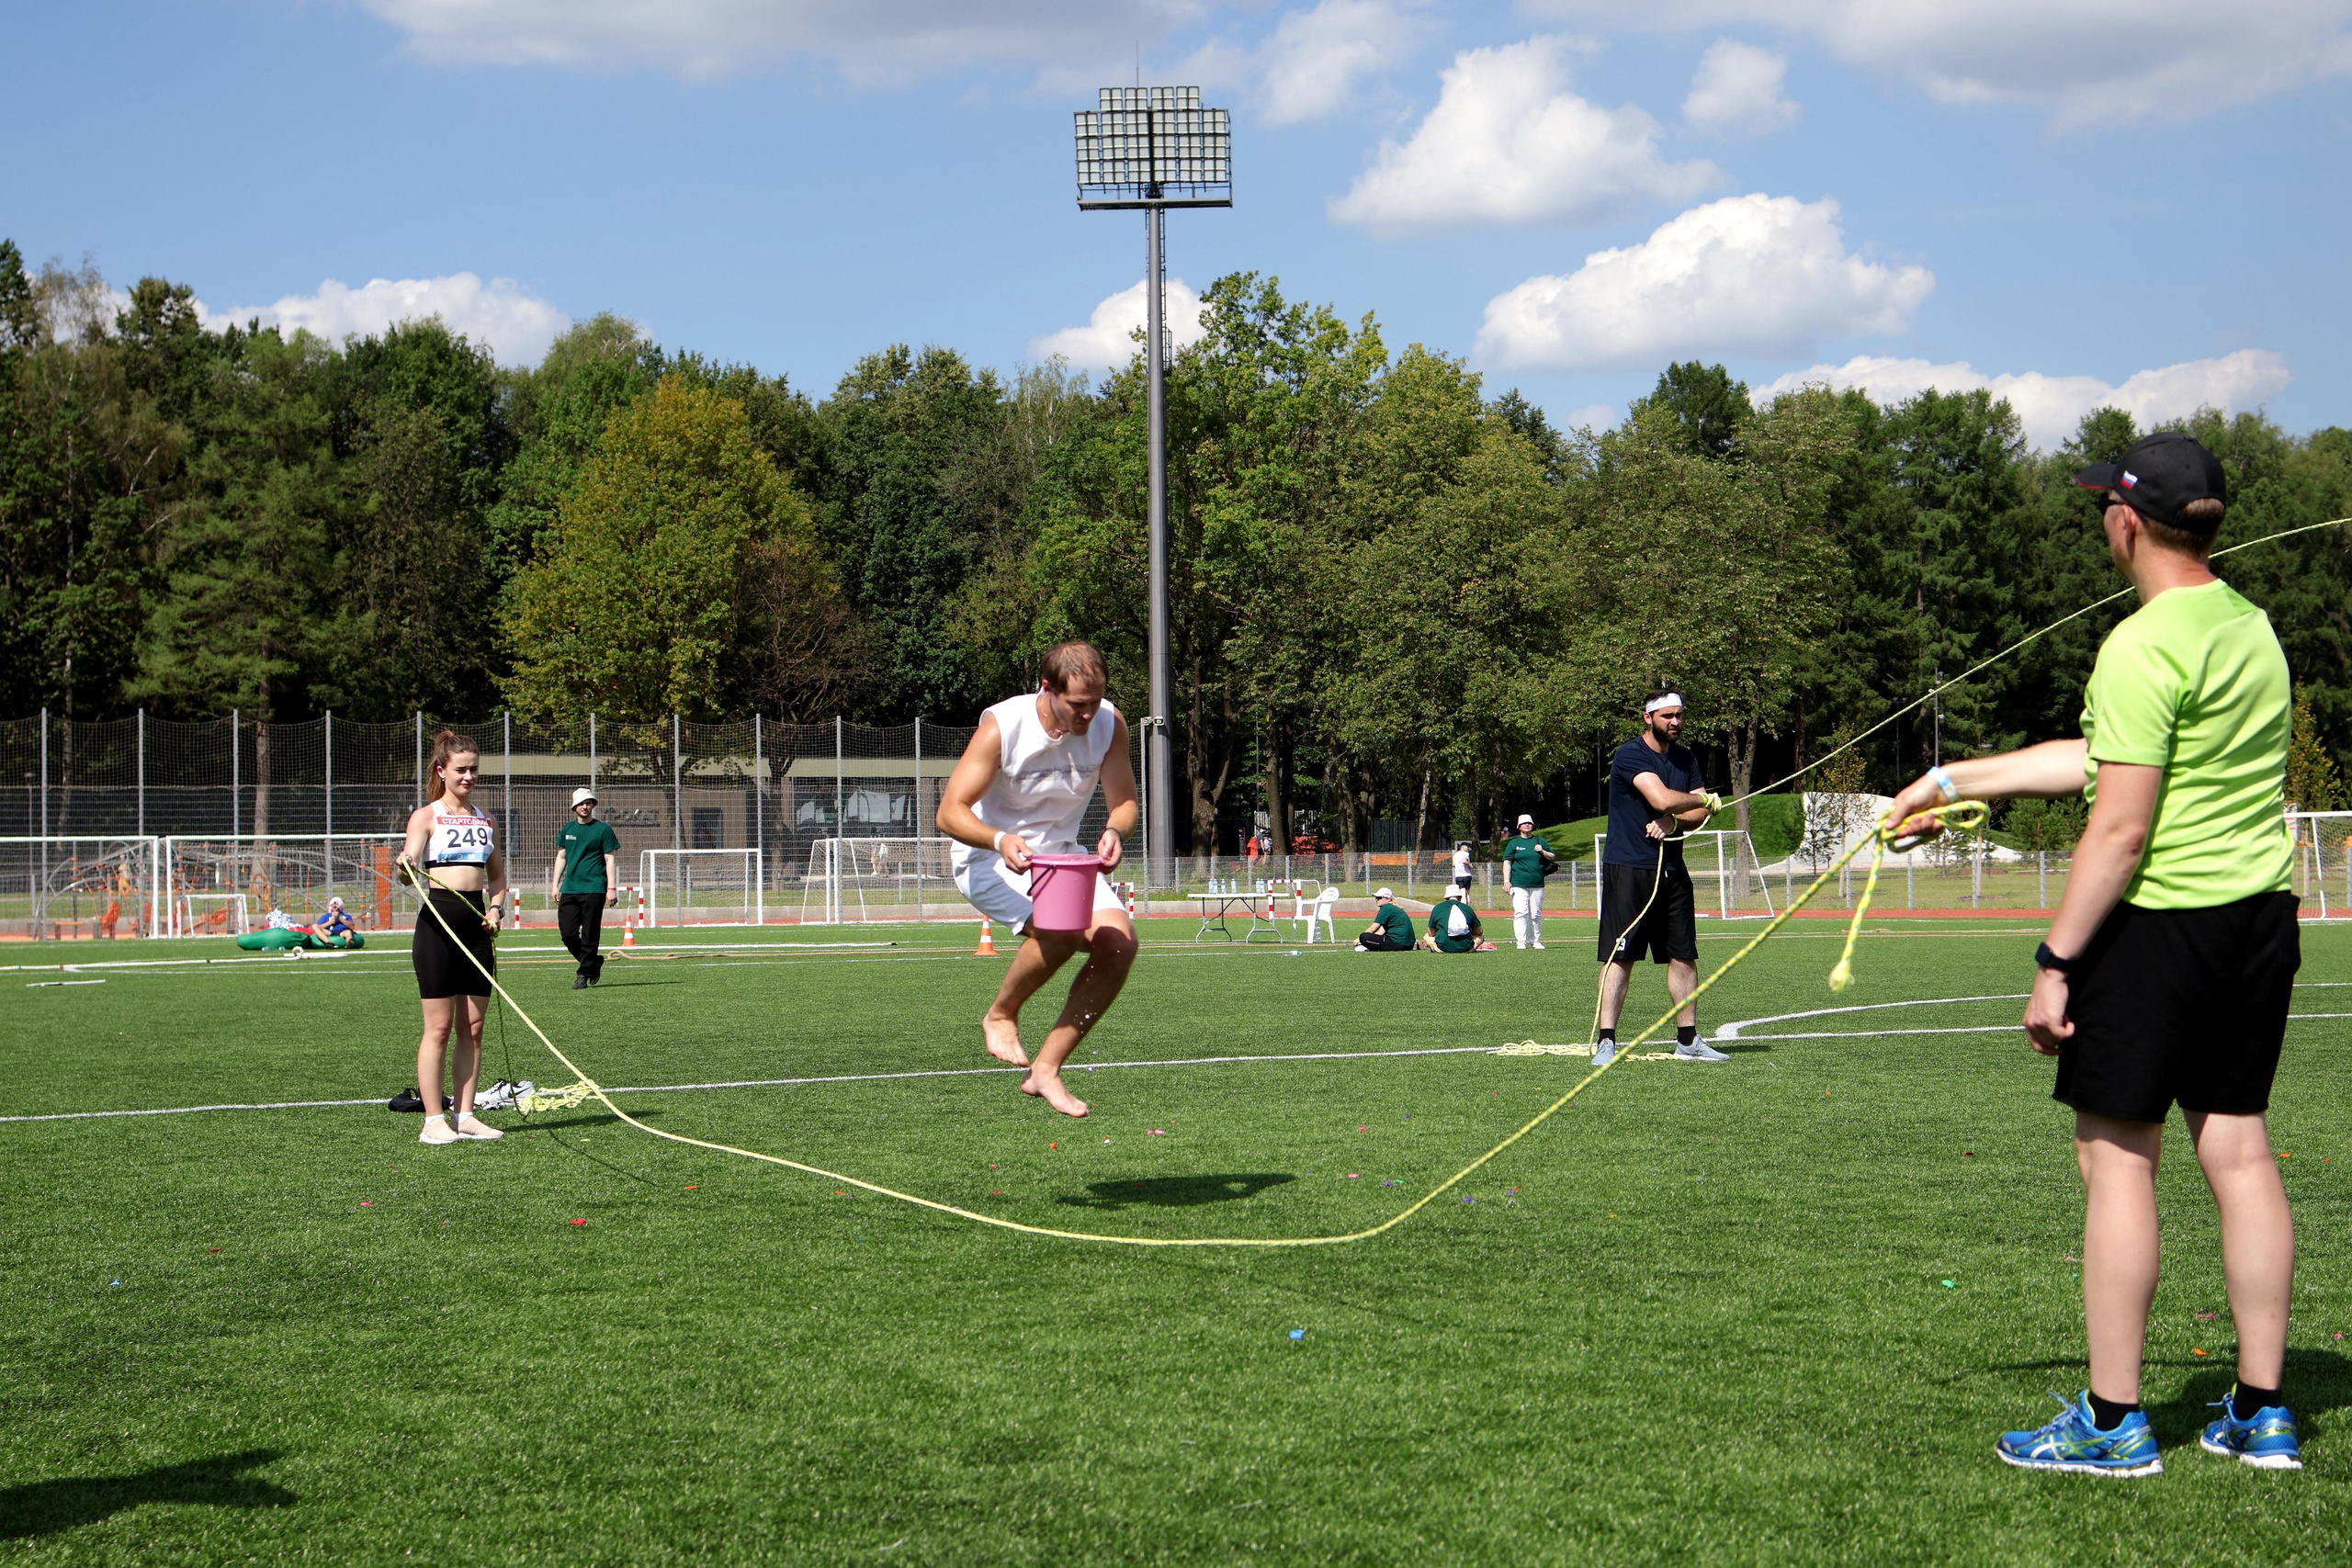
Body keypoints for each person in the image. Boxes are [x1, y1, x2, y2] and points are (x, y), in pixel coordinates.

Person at [1885, 433, 2303, 1475]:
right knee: (2239, 1152)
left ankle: (2114, 1425)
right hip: (2254, 923)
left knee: (2115, 1159)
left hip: (2157, 928)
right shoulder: (2250, 627)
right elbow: (2099, 755)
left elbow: (2117, 824)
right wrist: (1947, 781)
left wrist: (2053, 958)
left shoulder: (2141, 643)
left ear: (2124, 522)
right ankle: (2263, 1412)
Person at [937, 641, 1140, 1119]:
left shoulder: (1110, 724)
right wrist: (999, 839)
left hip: (1063, 860)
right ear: (1046, 688)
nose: (1089, 714)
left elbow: (1125, 802)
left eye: (1095, 701)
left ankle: (1047, 1068)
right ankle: (1000, 1014)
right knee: (1062, 929)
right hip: (988, 857)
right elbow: (949, 813)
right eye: (1077, 705)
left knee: (1120, 944)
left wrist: (1114, 830)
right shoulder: (1002, 727)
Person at [1596, 691, 1726, 1066]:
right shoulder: (1630, 754)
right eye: (1668, 715)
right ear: (1647, 717)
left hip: (1672, 868)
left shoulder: (1686, 758)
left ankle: (1688, 1040)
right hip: (1630, 867)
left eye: (1680, 715)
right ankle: (1607, 1041)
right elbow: (1663, 799)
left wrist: (1675, 819)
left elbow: (1693, 815)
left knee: (1683, 955)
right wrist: (1698, 802)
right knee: (1620, 956)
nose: (1675, 722)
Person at [396, 729, 509, 1146]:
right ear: (442, 771)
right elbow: (407, 869)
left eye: (474, 769)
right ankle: (433, 1121)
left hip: (477, 926)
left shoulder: (486, 820)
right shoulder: (425, 816)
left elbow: (497, 879)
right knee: (439, 1029)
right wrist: (405, 865)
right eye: (461, 769)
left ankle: (465, 1115)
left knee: (474, 1028)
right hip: (438, 925)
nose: (469, 776)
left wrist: (496, 910)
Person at [550, 786, 621, 989]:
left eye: (588, 802)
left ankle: (583, 974)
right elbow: (562, 856)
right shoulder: (567, 829)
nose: (585, 806)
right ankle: (593, 962)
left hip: (595, 888)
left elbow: (610, 860)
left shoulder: (603, 830)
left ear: (593, 805)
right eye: (581, 803)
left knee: (590, 933)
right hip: (570, 888)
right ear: (574, 807)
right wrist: (555, 885)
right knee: (568, 934)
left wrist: (611, 888)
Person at [1502, 814, 1557, 949]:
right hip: (1519, 883)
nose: (1527, 825)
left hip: (1537, 883)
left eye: (1529, 823)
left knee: (1535, 913)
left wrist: (1542, 851)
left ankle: (1536, 940)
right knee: (1520, 912)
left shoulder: (1540, 841)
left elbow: (1552, 856)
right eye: (1524, 823)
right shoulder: (1514, 843)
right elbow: (1507, 862)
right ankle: (1521, 941)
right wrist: (1506, 881)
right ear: (1519, 826)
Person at [1423, 891, 1492, 952]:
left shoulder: (1437, 908)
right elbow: (1479, 932)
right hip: (1467, 948)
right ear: (1460, 898)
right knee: (1481, 936)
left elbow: (1431, 933)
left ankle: (1436, 947)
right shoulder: (1468, 908)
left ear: (1446, 898)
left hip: (1442, 949)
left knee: (1426, 936)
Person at [1355, 887, 1415, 952]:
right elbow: (1381, 931)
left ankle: (1367, 947)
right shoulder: (1393, 908)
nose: (1376, 900)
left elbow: (1372, 929)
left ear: (1388, 899)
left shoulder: (1386, 908)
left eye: (1379, 898)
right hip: (1408, 945)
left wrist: (1359, 940)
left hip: (1398, 943)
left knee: (1364, 937)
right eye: (1376, 898)